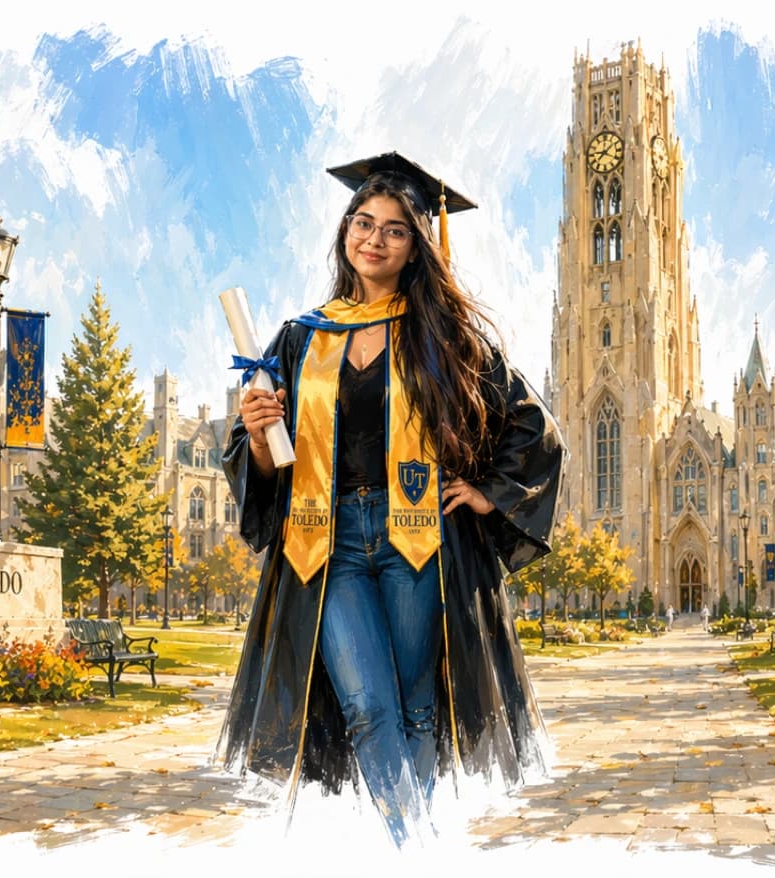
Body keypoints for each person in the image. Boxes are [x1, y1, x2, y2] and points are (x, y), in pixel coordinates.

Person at [215, 152, 563, 846]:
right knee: (369, 708)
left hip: (418, 536)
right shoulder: (302, 337)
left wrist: (489, 493)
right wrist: (255, 435)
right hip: (328, 542)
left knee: (415, 709)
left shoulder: (443, 335)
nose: (374, 238)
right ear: (345, 230)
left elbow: (532, 424)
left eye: (395, 229)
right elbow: (267, 459)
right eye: (363, 222)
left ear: (416, 247)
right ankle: (420, 849)